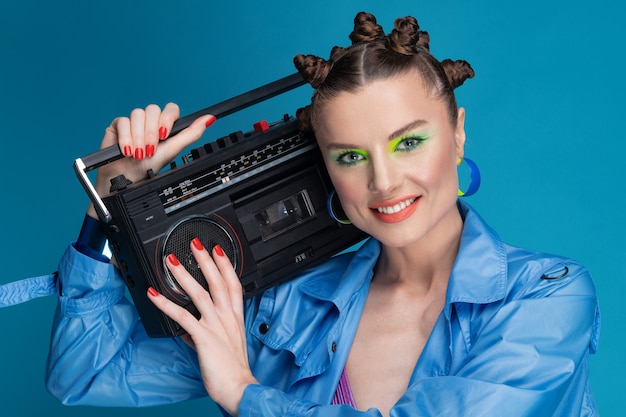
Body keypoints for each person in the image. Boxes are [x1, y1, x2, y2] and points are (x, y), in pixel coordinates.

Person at [43, 11, 600, 417]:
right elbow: (85, 374)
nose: (383, 181)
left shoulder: (546, 297)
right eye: (351, 156)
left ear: (457, 136)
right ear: (327, 169)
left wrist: (243, 393)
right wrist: (116, 202)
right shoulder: (289, 305)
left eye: (408, 144)